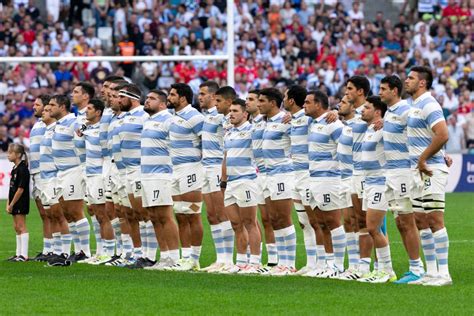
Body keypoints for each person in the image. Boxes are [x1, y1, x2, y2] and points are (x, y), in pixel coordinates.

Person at [405, 66, 451, 286]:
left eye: (411, 78)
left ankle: (444, 274)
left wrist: (423, 159)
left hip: (430, 168)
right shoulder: (415, 105)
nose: (407, 80)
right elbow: (431, 135)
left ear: (422, 83)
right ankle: (430, 272)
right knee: (421, 221)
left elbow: (443, 134)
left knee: (434, 219)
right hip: (418, 170)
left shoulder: (429, 103)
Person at [379, 75, 425, 284]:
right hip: (392, 174)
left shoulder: (406, 110)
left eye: (383, 89)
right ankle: (414, 266)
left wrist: (441, 155)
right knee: (401, 223)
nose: (380, 92)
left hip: (404, 173)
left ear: (394, 91)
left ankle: (418, 268)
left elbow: (424, 134)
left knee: (408, 222)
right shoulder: (389, 112)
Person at [304, 90, 346, 278]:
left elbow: (346, 147)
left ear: (318, 105)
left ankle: (338, 265)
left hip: (329, 179)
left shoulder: (333, 124)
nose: (304, 105)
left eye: (308, 102)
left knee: (333, 222)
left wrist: (337, 112)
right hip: (314, 179)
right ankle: (328, 263)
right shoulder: (313, 123)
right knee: (320, 222)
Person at [140, 90, 181, 271]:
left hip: (161, 175)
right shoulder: (148, 121)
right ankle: (163, 256)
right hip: (147, 175)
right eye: (147, 98)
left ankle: (174, 257)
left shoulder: (169, 120)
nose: (147, 101)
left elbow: (178, 145)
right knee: (154, 217)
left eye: (152, 99)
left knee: (164, 216)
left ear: (163, 104)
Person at [357, 96, 397, 283]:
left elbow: (404, 130)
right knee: (374, 228)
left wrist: (387, 122)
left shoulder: (384, 128)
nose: (362, 110)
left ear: (378, 112)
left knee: (373, 228)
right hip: (369, 183)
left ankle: (387, 270)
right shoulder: (370, 128)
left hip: (381, 183)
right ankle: (381, 269)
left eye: (367, 107)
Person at [117, 83, 156, 269]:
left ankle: (150, 255)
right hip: (126, 171)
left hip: (140, 169)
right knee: (132, 214)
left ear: (131, 98)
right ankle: (138, 254)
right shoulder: (125, 117)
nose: (117, 101)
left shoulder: (144, 116)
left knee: (144, 214)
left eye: (120, 97)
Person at [221, 98, 262, 274]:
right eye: (230, 111)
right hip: (231, 182)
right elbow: (226, 157)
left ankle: (255, 262)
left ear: (245, 114)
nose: (231, 113)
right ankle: (240, 261)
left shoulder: (252, 130)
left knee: (250, 222)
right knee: (236, 224)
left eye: (235, 111)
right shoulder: (228, 133)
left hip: (247, 180)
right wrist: (223, 180)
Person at [49, 94, 90, 265]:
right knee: (67, 212)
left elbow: (85, 139)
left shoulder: (74, 122)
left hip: (73, 170)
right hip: (61, 172)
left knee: (75, 211)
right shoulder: (58, 125)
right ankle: (77, 249)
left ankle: (85, 251)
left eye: (52, 105)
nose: (49, 107)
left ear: (63, 106)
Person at [259, 87, 297, 275]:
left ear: (273, 103)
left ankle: (289, 263)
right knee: (273, 219)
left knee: (283, 217)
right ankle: (282, 262)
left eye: (261, 101)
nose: (258, 104)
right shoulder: (264, 122)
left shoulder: (286, 120)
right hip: (268, 175)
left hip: (283, 174)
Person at [167, 83, 205, 271]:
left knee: (192, 214)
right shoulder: (173, 117)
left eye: (172, 95)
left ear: (182, 98)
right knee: (180, 214)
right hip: (175, 169)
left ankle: (195, 258)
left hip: (191, 168)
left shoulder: (195, 117)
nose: (169, 97)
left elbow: (207, 142)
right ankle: (185, 257)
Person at [199, 83, 235, 272]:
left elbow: (231, 141)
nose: (200, 97)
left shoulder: (225, 117)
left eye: (203, 94)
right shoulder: (207, 116)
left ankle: (228, 259)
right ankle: (220, 258)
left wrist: (224, 171)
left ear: (213, 97)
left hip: (217, 166)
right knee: (211, 215)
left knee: (222, 214)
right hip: (205, 167)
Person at [282, 85, 318, 276]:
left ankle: (323, 263)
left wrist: (335, 113)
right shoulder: (293, 120)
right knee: (304, 222)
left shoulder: (308, 119)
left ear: (291, 100)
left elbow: (326, 117)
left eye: (285, 97)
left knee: (315, 221)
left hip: (308, 175)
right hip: (295, 175)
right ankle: (311, 263)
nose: (283, 99)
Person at [246, 90, 278, 272]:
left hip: (272, 174)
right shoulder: (253, 123)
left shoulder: (272, 121)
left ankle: (275, 260)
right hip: (256, 175)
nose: (249, 103)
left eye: (252, 99)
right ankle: (264, 259)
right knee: (261, 219)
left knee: (273, 219)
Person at [82, 99, 116, 265]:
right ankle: (101, 251)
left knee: (104, 214)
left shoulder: (104, 129)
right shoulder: (87, 128)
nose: (85, 111)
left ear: (98, 112)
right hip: (89, 175)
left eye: (89, 108)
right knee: (95, 214)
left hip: (100, 175)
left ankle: (109, 253)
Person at [335, 95, 360, 278]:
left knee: (359, 223)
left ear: (352, 107)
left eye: (343, 103)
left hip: (355, 177)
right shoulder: (343, 127)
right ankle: (352, 265)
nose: (339, 105)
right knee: (348, 223)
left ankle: (362, 265)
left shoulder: (361, 124)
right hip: (343, 178)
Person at [29, 95, 52, 262]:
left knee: (51, 212)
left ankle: (55, 249)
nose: (33, 107)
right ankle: (47, 248)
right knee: (43, 214)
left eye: (37, 104)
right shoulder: (37, 125)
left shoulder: (49, 124)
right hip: (35, 173)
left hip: (46, 172)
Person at [6, 144, 30, 262]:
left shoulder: (23, 169)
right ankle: (18, 253)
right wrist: (8, 203)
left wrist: (12, 204)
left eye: (10, 153)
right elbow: (12, 189)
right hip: (14, 202)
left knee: (21, 226)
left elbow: (20, 189)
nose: (8, 155)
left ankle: (24, 255)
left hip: (20, 202)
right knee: (16, 227)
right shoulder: (14, 169)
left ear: (18, 155)